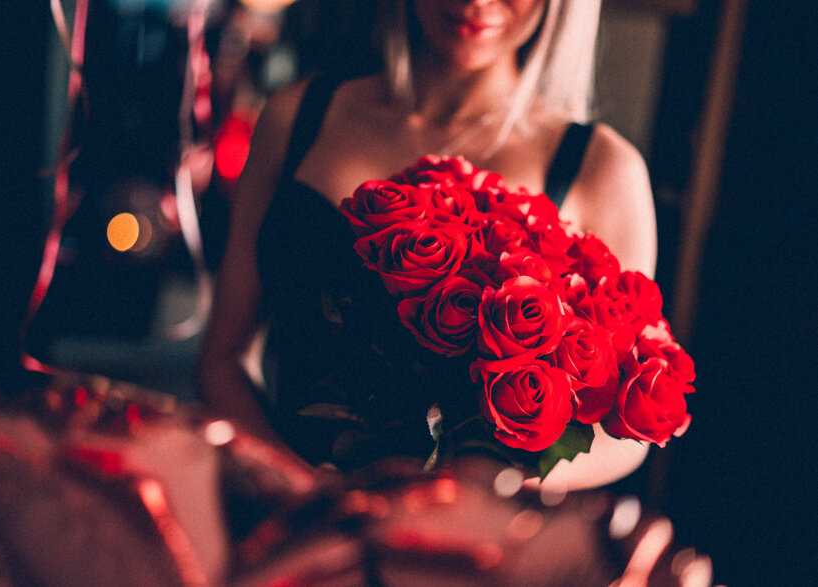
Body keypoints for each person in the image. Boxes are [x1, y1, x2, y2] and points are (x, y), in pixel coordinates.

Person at [198, 0, 657, 492]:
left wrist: (482, 492)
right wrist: (299, 488)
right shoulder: (296, 117)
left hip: (460, 543)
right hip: (284, 510)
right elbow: (222, 358)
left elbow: (626, 433)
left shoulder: (601, 167)